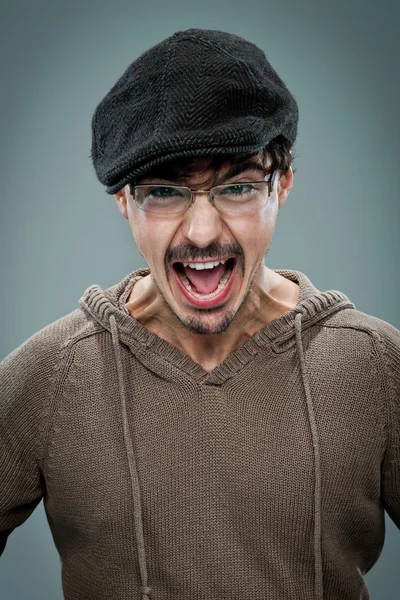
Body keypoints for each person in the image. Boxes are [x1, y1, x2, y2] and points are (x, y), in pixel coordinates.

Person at [0, 28, 399, 600]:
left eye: (237, 187)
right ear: (123, 201)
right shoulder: (51, 374)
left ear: (281, 186)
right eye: (165, 191)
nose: (204, 232)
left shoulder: (377, 367)